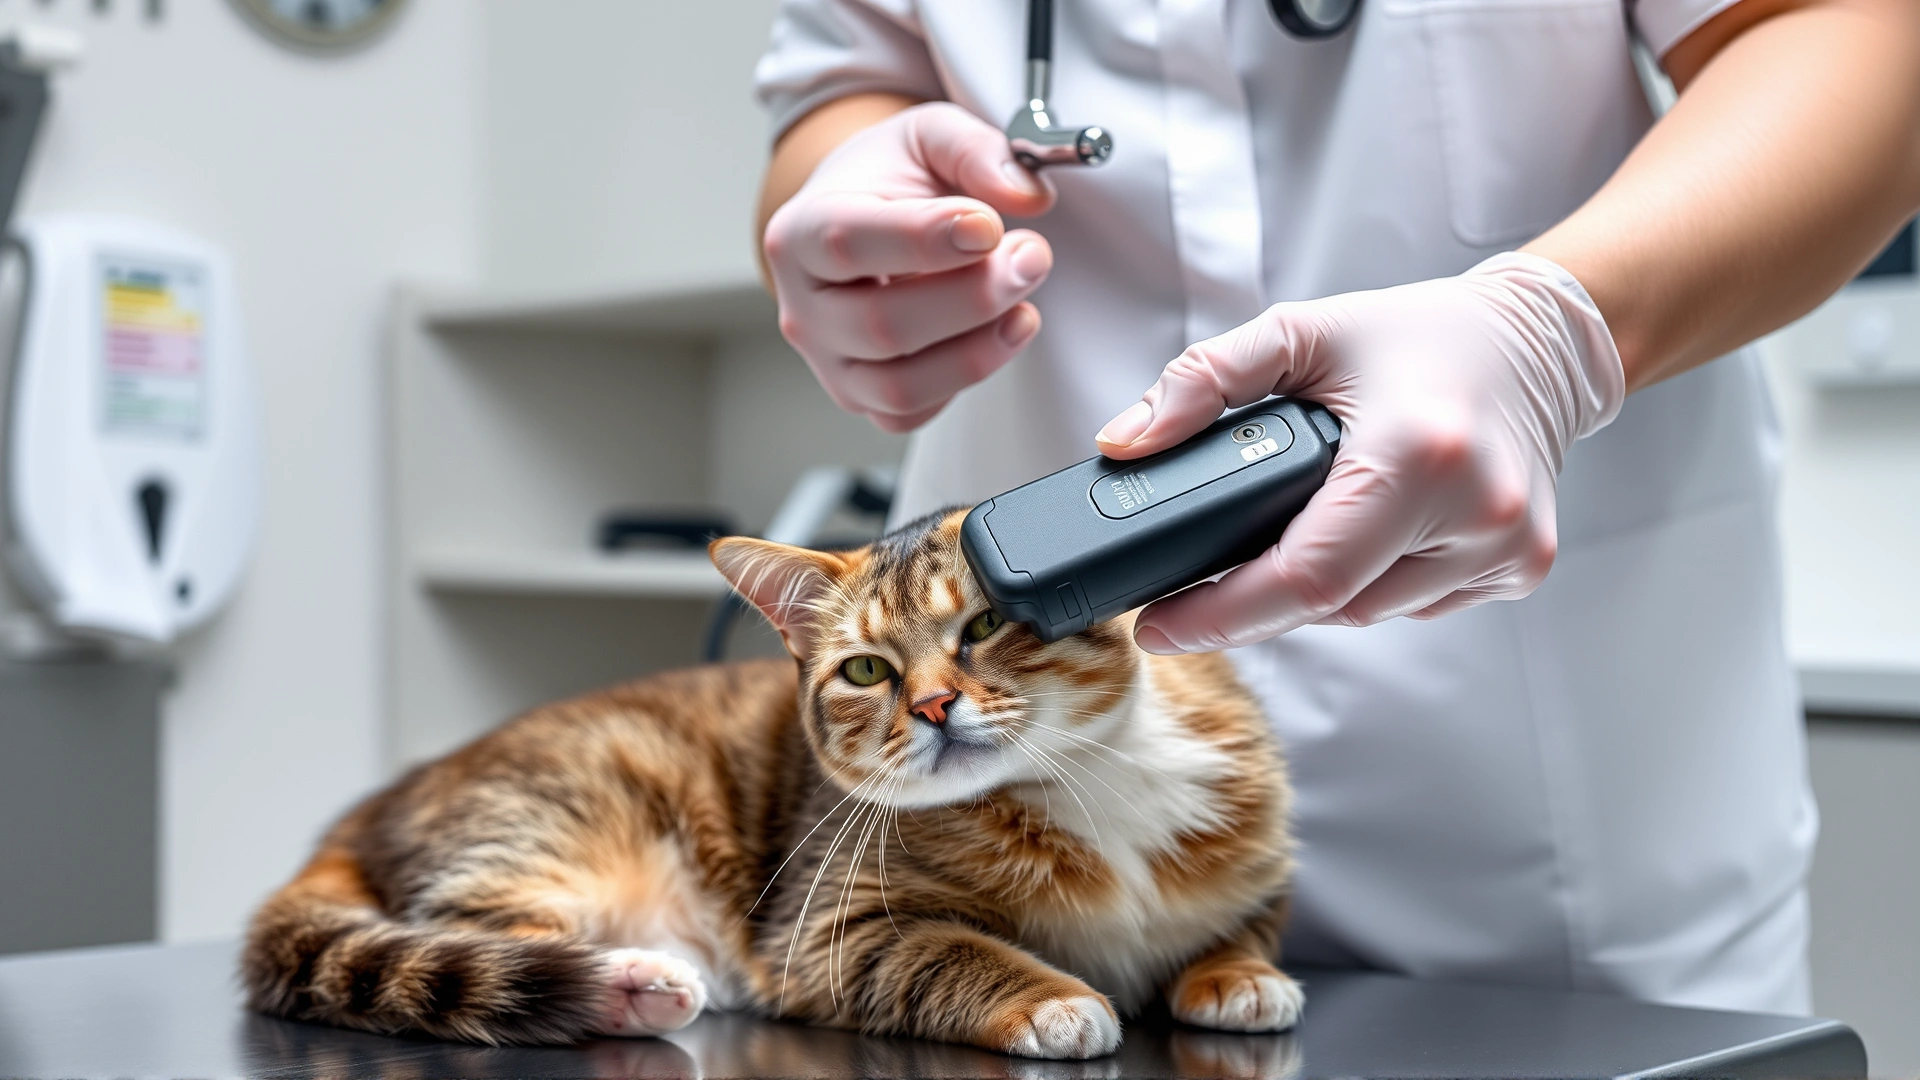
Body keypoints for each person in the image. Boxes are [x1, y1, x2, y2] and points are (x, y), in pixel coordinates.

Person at [750, 0, 1920, 1013]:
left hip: (1556, 825)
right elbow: (839, 89)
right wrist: (845, 213)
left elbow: (1856, 36)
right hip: (1008, 853)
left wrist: (1555, 330)